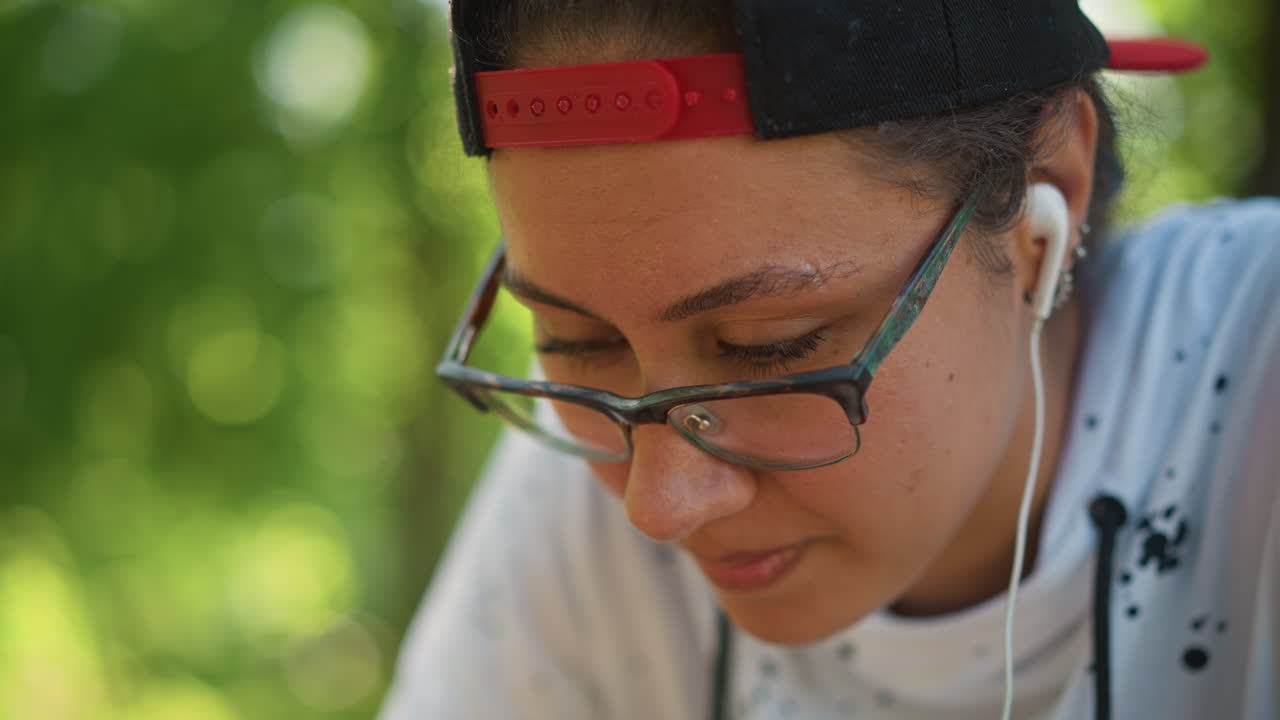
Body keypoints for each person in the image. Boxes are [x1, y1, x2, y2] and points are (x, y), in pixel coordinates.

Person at [382, 2, 1280, 718]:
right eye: (580, 343)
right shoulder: (581, 476)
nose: (658, 507)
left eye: (771, 348)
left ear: (1042, 215)